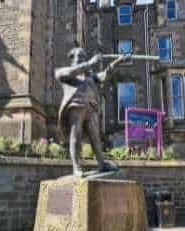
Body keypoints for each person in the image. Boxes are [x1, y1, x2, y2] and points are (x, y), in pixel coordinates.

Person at [55, 48, 130, 177]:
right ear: (72, 58)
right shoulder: (64, 73)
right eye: (79, 56)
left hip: (91, 109)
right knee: (75, 137)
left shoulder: (90, 77)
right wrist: (90, 63)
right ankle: (76, 167)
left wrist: (117, 61)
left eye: (84, 56)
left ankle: (101, 163)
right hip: (76, 108)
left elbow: (105, 75)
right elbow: (69, 72)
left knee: (95, 138)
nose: (82, 58)